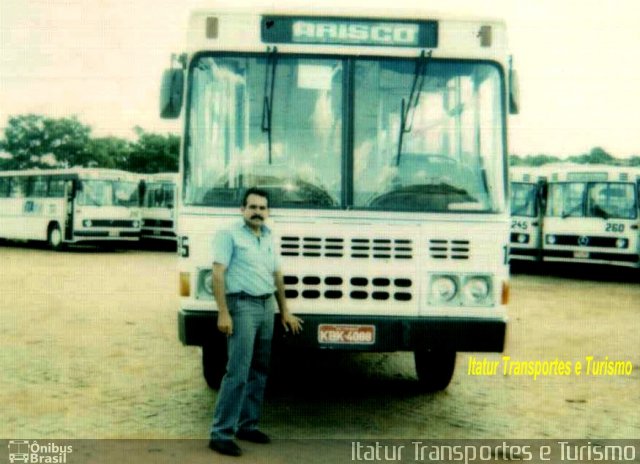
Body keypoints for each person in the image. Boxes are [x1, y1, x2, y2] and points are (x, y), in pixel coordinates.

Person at [208, 187, 303, 457]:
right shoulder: (228, 235)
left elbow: (277, 275)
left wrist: (284, 311)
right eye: (253, 207)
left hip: (266, 306)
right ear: (242, 209)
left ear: (268, 211)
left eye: (262, 208)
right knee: (237, 371)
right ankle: (220, 433)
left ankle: (247, 426)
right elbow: (218, 273)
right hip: (242, 306)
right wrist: (223, 312)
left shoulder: (269, 236)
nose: (258, 212)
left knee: (259, 369)